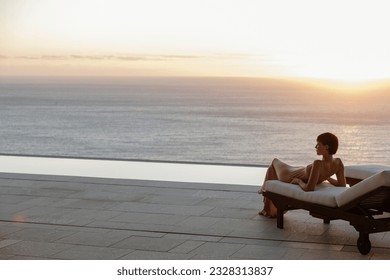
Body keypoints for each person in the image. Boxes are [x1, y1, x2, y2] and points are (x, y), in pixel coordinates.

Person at [258, 132, 346, 218]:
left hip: (289, 175)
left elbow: (309, 188)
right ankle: (268, 206)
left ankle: (264, 195)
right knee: (273, 166)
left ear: (326, 147)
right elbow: (342, 184)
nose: (315, 147)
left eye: (318, 144)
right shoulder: (338, 163)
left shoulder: (318, 164)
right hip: (297, 171)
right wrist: (328, 177)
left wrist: (298, 181)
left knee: (274, 161)